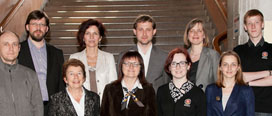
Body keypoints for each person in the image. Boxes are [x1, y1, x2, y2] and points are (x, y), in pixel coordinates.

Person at [18, 10, 65, 115]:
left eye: (42, 24)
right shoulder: (18, 51)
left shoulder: (57, 53)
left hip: (52, 108)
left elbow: (61, 85)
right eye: (34, 24)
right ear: (27, 27)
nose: (38, 28)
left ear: (47, 28)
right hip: (26, 107)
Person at [233, 9, 272, 115]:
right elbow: (236, 77)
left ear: (262, 25)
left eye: (257, 22)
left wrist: (248, 83)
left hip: (267, 109)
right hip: (243, 106)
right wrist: (268, 73)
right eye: (249, 23)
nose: (253, 26)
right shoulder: (237, 51)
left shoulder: (271, 49)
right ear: (245, 27)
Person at [118, 14, 169, 92]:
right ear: (135, 31)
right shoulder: (123, 56)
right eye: (141, 29)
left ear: (154, 31)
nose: (144, 34)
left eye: (148, 30)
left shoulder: (164, 57)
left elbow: (167, 86)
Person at [69, 19, 117, 100]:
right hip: (81, 106)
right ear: (83, 37)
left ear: (100, 38)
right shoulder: (74, 58)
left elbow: (113, 86)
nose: (91, 37)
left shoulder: (108, 58)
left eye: (95, 33)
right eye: (88, 33)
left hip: (104, 106)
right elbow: (71, 87)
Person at [0, 31, 43, 116]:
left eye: (14, 44)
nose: (11, 48)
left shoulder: (31, 75)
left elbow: (38, 107)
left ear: (19, 48)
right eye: (6, 44)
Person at [101, 51, 156, 116]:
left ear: (140, 68)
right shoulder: (110, 89)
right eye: (127, 63)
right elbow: (104, 113)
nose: (131, 67)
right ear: (121, 66)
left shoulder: (148, 90)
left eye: (135, 64)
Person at [157, 47, 206, 116]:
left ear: (188, 66)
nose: (178, 67)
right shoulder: (161, 91)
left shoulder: (198, 93)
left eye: (182, 63)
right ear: (169, 67)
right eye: (174, 63)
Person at [205, 51, 255, 116]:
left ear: (238, 67)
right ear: (220, 67)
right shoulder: (210, 89)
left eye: (233, 64)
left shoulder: (246, 91)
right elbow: (208, 113)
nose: (229, 68)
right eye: (225, 64)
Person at [183, 18, 220, 91]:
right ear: (187, 35)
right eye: (192, 31)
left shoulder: (213, 55)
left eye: (199, 31)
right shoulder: (182, 56)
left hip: (205, 99)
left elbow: (219, 82)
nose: (195, 34)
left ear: (204, 35)